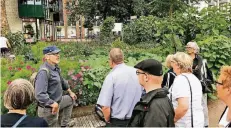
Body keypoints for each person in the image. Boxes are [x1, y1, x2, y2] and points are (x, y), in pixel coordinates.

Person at [97, 48, 143, 127]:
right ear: (123, 58)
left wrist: (108, 121)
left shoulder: (111, 77)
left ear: (111, 60)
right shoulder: (137, 72)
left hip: (118, 122)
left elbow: (105, 107)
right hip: (137, 119)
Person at [35, 46, 77, 127]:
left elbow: (62, 81)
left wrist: (70, 91)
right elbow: (39, 94)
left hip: (58, 102)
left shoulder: (55, 68)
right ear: (47, 57)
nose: (58, 55)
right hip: (48, 109)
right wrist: (53, 103)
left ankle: (65, 124)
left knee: (71, 99)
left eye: (58, 53)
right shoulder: (43, 72)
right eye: (54, 54)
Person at [128, 59, 175, 127]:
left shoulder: (153, 106)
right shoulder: (164, 98)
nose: (137, 76)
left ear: (146, 77)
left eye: (138, 73)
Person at [169, 52, 204, 127]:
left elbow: (183, 107)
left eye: (173, 64)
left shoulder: (180, 80)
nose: (172, 67)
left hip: (184, 124)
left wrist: (171, 121)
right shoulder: (194, 78)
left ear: (178, 65)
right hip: (197, 122)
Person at [186, 41, 209, 127]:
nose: (187, 48)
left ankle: (205, 124)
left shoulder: (200, 59)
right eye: (187, 47)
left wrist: (191, 70)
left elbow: (198, 71)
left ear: (195, 50)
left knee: (203, 104)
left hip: (200, 84)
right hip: (188, 84)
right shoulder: (185, 58)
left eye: (189, 47)